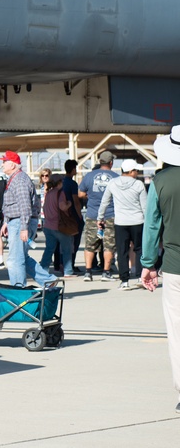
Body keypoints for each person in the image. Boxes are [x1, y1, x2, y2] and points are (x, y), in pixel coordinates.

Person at [140, 125, 180, 414]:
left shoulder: (160, 181)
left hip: (175, 267)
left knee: (177, 332)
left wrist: (147, 264)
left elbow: (152, 226)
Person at [0, 151, 56, 289]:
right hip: (16, 221)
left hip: (20, 221)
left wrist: (24, 227)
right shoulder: (15, 179)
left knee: (14, 260)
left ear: (12, 164)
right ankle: (47, 280)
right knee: (22, 257)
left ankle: (19, 291)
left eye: (4, 161)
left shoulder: (19, 180)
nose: (2, 165)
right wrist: (7, 221)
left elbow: (24, 205)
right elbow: (15, 204)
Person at [98, 159, 147, 290]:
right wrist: (148, 221)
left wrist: (100, 218)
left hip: (120, 222)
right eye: (136, 170)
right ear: (131, 171)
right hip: (138, 221)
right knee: (139, 249)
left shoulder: (113, 183)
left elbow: (105, 201)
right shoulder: (139, 185)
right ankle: (140, 277)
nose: (137, 172)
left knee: (122, 251)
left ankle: (124, 281)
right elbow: (145, 206)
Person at [80, 150, 119, 282]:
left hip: (92, 214)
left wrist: (90, 196)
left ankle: (88, 272)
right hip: (110, 214)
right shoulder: (116, 177)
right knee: (109, 245)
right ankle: (106, 272)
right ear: (111, 163)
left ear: (100, 161)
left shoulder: (89, 176)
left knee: (90, 244)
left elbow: (80, 194)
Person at [39, 174, 77, 278]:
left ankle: (43, 269)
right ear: (59, 182)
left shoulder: (49, 193)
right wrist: (69, 203)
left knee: (49, 249)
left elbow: (44, 208)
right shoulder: (60, 193)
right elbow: (63, 207)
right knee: (66, 249)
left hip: (48, 225)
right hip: (59, 226)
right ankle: (68, 271)